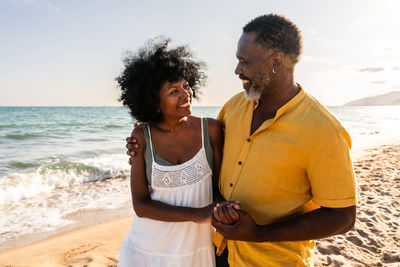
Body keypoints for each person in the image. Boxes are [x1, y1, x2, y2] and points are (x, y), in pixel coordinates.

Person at [127, 14, 357, 267]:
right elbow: (196, 143)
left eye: (244, 62)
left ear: (276, 61)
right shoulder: (234, 108)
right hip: (220, 252)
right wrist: (149, 129)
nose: (237, 70)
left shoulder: (324, 131)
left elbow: (343, 217)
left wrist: (260, 234)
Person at [117, 38, 225, 267]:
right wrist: (196, 215)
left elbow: (219, 190)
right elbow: (141, 205)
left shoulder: (212, 130)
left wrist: (219, 210)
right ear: (154, 102)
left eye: (186, 86)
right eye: (174, 91)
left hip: (196, 252)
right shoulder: (141, 137)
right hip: (146, 250)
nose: (185, 94)